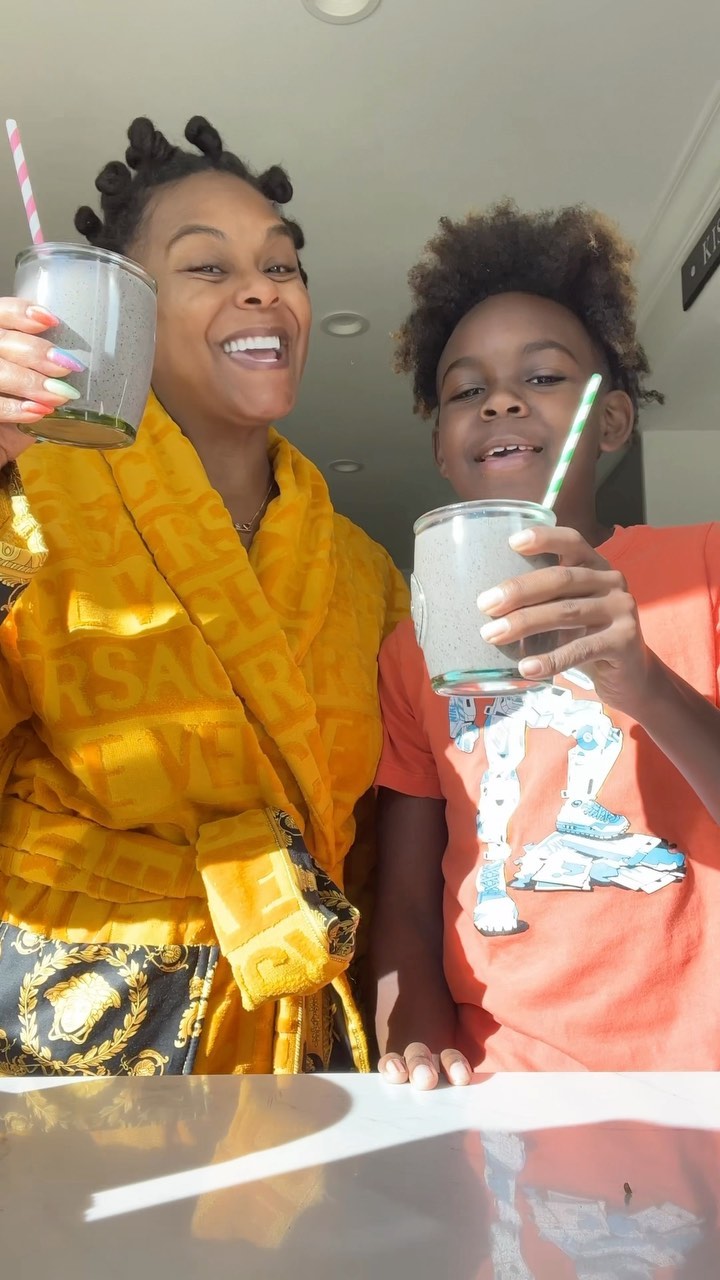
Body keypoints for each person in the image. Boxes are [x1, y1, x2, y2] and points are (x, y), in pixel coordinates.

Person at [0, 115, 407, 1077]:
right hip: (65, 1021)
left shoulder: (365, 570)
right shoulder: (26, 496)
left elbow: (391, 844)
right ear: (128, 309)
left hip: (299, 1029)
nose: (262, 288)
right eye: (209, 267)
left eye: (281, 265)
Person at [372, 201, 720, 1086]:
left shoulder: (704, 569)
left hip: (693, 1083)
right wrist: (417, 1041)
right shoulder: (413, 649)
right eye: (466, 390)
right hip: (500, 1085)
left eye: (545, 375)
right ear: (444, 448)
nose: (501, 400)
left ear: (611, 424)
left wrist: (645, 685)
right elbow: (407, 899)